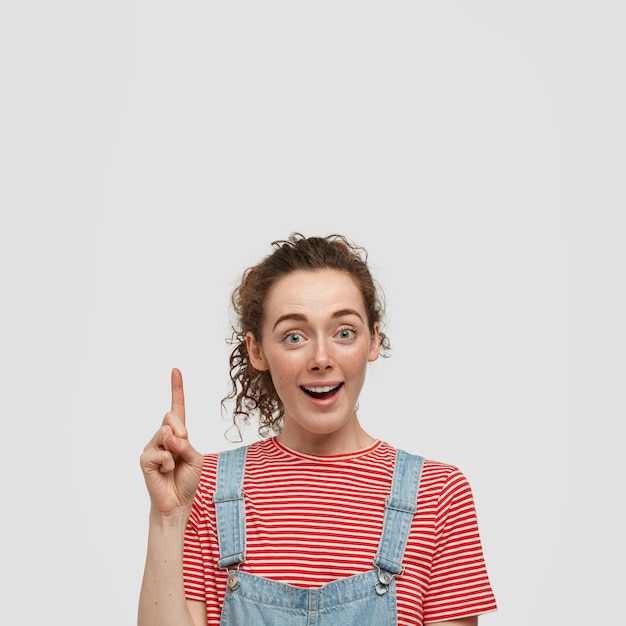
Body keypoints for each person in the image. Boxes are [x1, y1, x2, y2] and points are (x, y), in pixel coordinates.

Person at [138, 233, 497, 626]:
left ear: (374, 339)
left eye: (344, 332)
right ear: (258, 351)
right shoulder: (204, 487)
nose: (321, 359)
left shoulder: (438, 494)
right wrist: (168, 518)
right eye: (294, 336)